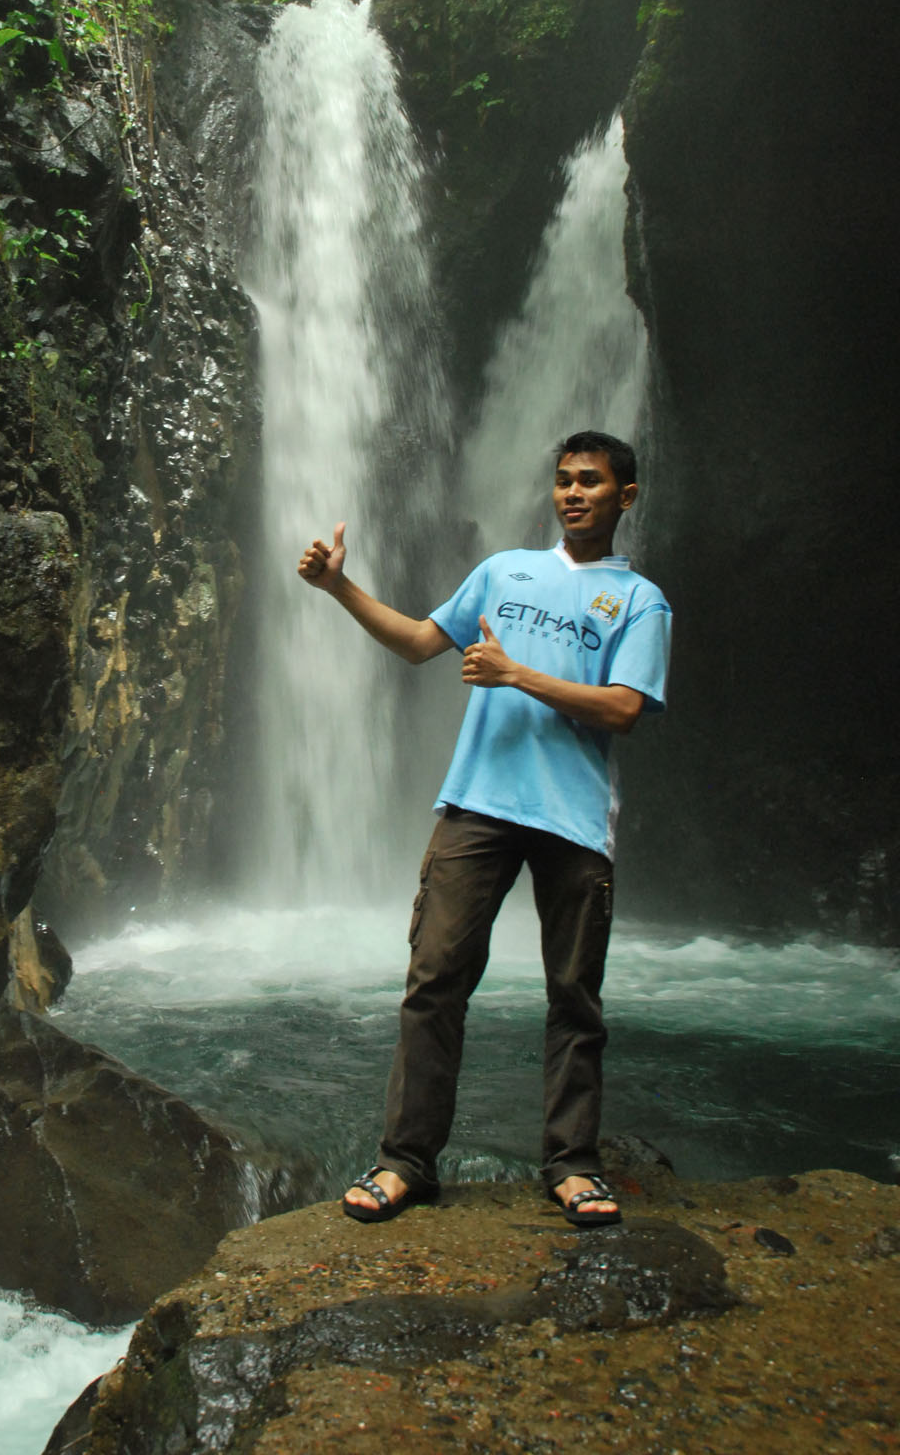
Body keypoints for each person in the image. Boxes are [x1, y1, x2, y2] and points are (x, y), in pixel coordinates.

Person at [297, 430, 671, 1229]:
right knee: (434, 982)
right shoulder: (504, 572)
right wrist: (339, 587)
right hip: (477, 806)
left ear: (625, 497)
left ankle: (572, 1165)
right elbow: (419, 644)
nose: (573, 494)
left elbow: (626, 709)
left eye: (592, 483)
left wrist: (515, 675)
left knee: (574, 996)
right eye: (565, 481)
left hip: (573, 819)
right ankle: (406, 1161)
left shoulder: (640, 602)